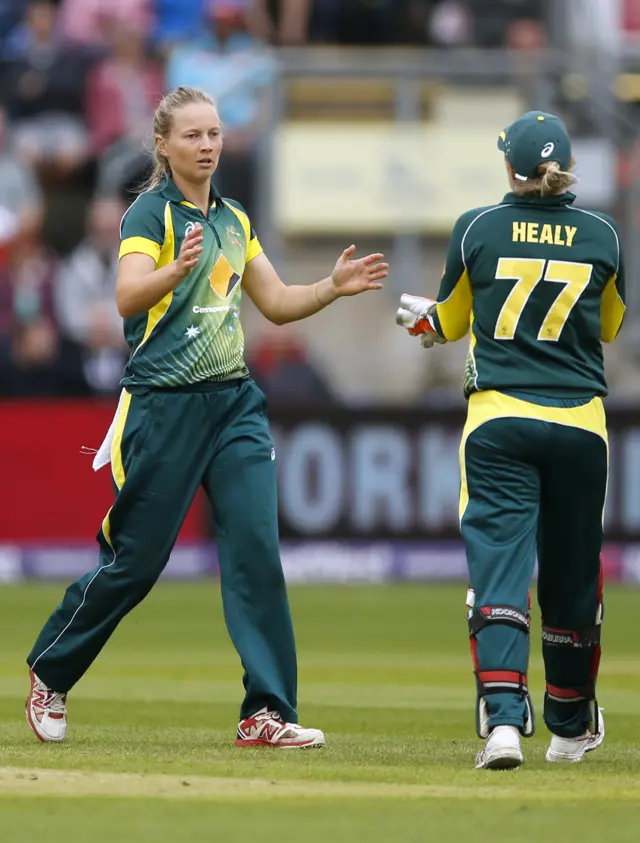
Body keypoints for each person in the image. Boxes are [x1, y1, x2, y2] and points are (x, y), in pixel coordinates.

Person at [25, 86, 388, 748]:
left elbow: (275, 302)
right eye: (192, 135)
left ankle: (266, 710)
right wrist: (174, 270)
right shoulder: (148, 215)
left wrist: (331, 288)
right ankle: (51, 669)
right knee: (135, 562)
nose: (207, 145)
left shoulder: (234, 218)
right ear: (163, 144)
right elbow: (127, 294)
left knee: (255, 547)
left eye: (214, 133)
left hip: (234, 405)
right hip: (163, 405)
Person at [396, 111, 625, 770]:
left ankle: (502, 725)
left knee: (499, 567)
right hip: (580, 423)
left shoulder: (477, 228)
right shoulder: (605, 233)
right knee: (572, 576)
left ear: (509, 167)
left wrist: (422, 321)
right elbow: (607, 328)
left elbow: (451, 323)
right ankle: (570, 725)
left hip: (498, 419)